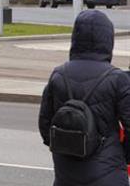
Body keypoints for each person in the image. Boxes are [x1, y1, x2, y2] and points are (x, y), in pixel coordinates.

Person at [39, 10, 130, 186]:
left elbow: (45, 124)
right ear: (107, 39)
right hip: (108, 174)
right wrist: (122, 155)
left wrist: (64, 148)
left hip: (66, 173)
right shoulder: (117, 79)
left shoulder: (59, 75)